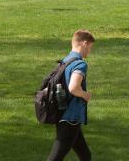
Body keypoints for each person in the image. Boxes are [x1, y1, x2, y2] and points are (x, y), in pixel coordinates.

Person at [47, 30, 95, 161]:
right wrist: (85, 95)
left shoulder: (65, 61)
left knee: (85, 155)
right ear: (84, 43)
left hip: (63, 114)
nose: (89, 52)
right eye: (90, 47)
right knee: (55, 157)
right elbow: (73, 88)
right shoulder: (80, 64)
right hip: (71, 117)